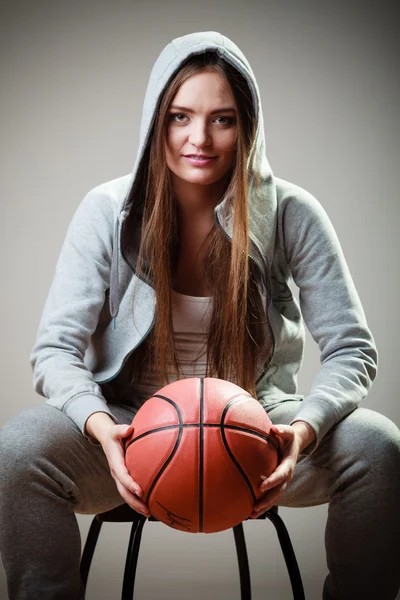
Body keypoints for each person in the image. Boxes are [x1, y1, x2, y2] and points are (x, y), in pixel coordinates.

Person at [0, 30, 399, 600]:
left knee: (378, 447)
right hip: (131, 421)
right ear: (156, 121)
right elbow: (55, 350)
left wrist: (302, 432)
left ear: (248, 125)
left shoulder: (290, 212)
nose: (199, 138)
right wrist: (102, 430)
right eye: (181, 116)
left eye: (223, 119)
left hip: (258, 422)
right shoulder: (107, 211)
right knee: (18, 451)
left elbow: (352, 348)